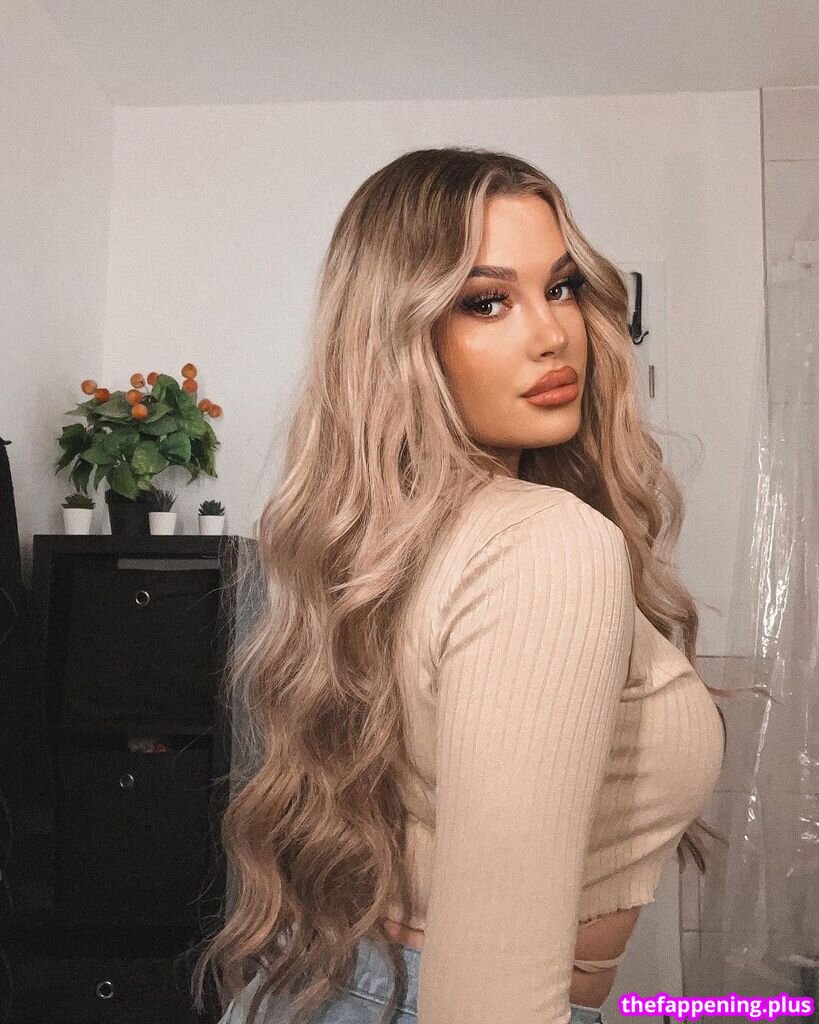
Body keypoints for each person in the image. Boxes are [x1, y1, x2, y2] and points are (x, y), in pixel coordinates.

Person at [192, 147, 728, 1024]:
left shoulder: (395, 542)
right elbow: (491, 1001)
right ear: (396, 338)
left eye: (560, 287)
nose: (552, 334)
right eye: (486, 301)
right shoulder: (545, 543)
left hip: (327, 987)